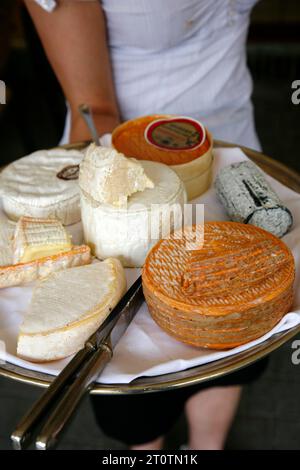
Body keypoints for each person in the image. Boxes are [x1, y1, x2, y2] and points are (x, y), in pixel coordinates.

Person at [25, 0, 266, 450]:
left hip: (233, 154)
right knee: (137, 384)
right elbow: (92, 109)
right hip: (129, 190)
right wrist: (136, 218)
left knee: (232, 332)